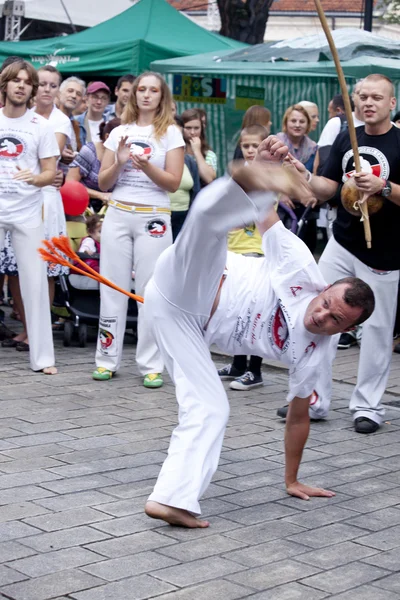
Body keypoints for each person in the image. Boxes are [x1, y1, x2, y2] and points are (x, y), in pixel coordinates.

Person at [142, 137, 375, 528]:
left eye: (335, 320)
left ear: (346, 330)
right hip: (193, 282)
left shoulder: (315, 355)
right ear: (325, 289)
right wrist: (267, 171)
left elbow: (299, 417)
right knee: (208, 228)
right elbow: (266, 215)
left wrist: (291, 479)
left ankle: (170, 500)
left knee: (211, 408)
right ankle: (244, 176)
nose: (321, 316)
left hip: (183, 327)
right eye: (325, 303)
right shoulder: (302, 267)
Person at [278, 74, 400, 435]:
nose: (367, 102)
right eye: (361, 96)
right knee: (320, 315)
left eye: (376, 97)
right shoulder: (350, 137)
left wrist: (385, 186)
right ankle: (314, 399)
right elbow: (328, 188)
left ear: (391, 103)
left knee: (376, 330)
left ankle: (368, 406)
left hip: (388, 252)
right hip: (343, 241)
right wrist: (303, 174)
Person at [93, 71, 184, 387]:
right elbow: (103, 182)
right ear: (133, 95)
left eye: (153, 90)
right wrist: (118, 163)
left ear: (162, 96)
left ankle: (151, 365)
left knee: (150, 291)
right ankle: (106, 359)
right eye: (141, 89)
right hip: (118, 212)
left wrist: (147, 166)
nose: (146, 95)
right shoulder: (119, 131)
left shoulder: (171, 133)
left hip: (153, 217)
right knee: (111, 287)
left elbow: (173, 183)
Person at [0, 60, 59, 374]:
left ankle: (43, 359)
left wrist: (36, 178)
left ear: (32, 89)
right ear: (5, 85)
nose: (21, 86)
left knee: (34, 284)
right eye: (15, 81)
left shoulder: (41, 126)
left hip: (27, 212)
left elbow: (51, 172)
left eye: (26, 82)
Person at [218, 124, 268, 390]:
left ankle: (255, 370)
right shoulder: (237, 174)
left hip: (258, 252)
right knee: (236, 309)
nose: (250, 150)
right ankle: (238, 364)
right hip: (234, 250)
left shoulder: (269, 175)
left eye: (255, 145)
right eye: (246, 145)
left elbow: (255, 210)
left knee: (255, 310)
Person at [277, 104, 318, 253]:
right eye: (293, 120)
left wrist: (311, 195)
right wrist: (280, 194)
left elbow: (313, 176)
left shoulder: (313, 148)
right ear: (286, 122)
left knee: (304, 253)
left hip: (304, 209)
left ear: (307, 124)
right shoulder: (275, 143)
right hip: (278, 209)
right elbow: (267, 174)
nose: (297, 125)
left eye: (302, 121)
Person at [67, 118, 121, 213]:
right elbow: (70, 182)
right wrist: (100, 195)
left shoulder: (127, 156)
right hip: (85, 207)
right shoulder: (89, 151)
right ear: (108, 137)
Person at [169, 115, 200, 240]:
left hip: (184, 218)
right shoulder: (156, 159)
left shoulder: (189, 161)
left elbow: (196, 190)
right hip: (160, 215)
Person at [181, 108, 217, 186]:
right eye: (188, 128)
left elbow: (208, 178)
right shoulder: (176, 150)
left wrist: (197, 151)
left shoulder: (209, 155)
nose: (192, 132)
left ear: (202, 129)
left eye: (196, 128)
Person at [58, 76, 86, 173]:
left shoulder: (76, 125)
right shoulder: (47, 118)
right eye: (70, 91)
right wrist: (59, 153)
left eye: (78, 94)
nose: (74, 96)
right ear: (59, 93)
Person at [70, 214, 102, 290]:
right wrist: (86, 251)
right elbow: (84, 248)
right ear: (90, 232)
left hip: (93, 271)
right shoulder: (89, 241)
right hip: (85, 272)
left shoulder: (103, 243)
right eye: (100, 231)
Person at [75, 81, 111, 146]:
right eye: (95, 97)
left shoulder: (110, 124)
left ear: (107, 102)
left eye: (103, 98)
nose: (99, 102)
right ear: (86, 98)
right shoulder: (75, 122)